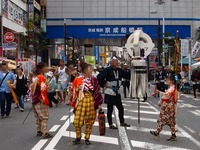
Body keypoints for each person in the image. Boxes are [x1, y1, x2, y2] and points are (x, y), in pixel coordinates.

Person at [70, 63, 103, 145]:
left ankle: (87, 137)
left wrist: (99, 104)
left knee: (90, 120)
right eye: (89, 69)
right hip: (80, 101)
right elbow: (72, 90)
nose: (91, 70)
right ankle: (78, 136)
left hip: (91, 101)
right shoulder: (77, 79)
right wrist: (78, 88)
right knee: (77, 121)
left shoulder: (93, 79)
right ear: (85, 70)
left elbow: (97, 91)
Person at [97, 57, 130, 129]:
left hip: (117, 92)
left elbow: (127, 76)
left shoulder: (120, 70)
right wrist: (104, 83)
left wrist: (133, 71)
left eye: (117, 62)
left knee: (120, 108)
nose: (117, 63)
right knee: (110, 108)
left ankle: (122, 122)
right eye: (115, 62)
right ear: (111, 63)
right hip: (110, 91)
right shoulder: (107, 70)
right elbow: (99, 76)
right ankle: (110, 124)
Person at [150, 75, 179, 141]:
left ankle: (157, 132)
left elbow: (166, 96)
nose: (166, 81)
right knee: (170, 121)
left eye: (167, 80)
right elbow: (167, 95)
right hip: (170, 107)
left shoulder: (171, 89)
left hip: (168, 107)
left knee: (162, 119)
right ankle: (173, 134)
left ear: (171, 81)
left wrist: (159, 92)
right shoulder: (172, 88)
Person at [31, 62, 53, 138]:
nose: (47, 68)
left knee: (38, 117)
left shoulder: (36, 77)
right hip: (40, 99)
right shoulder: (41, 77)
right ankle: (45, 132)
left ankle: (39, 130)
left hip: (34, 99)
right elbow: (43, 89)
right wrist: (47, 86)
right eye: (46, 66)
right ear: (42, 68)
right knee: (44, 117)